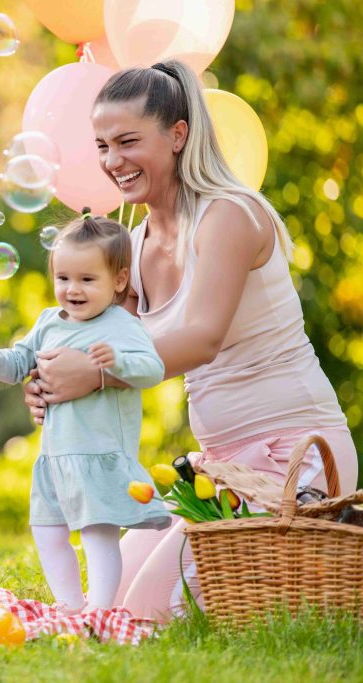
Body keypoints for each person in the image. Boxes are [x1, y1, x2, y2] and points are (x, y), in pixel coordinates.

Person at [23, 59, 358, 620]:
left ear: (178, 134)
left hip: (292, 460)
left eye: (128, 141)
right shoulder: (132, 244)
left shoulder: (229, 215)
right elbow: (102, 346)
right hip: (217, 474)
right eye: (103, 145)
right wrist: (55, 381)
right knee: (109, 604)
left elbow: (200, 338)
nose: (113, 161)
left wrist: (94, 373)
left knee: (148, 616)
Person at [0, 214, 170, 614]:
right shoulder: (48, 322)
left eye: (87, 280)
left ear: (119, 281)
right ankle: (70, 604)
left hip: (98, 456)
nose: (73, 289)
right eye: (63, 278)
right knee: (47, 531)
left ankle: (101, 609)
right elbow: (20, 360)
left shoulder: (120, 325)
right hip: (54, 459)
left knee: (97, 535)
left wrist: (116, 363)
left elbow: (153, 369)